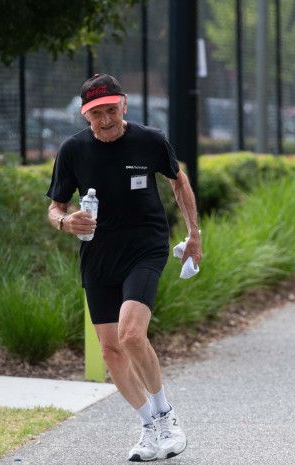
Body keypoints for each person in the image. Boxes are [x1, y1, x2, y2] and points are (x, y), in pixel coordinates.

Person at [46, 73, 200, 462]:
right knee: (110, 349)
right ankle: (148, 428)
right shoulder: (73, 150)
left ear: (124, 105)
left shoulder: (150, 140)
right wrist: (66, 222)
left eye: (111, 109)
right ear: (85, 115)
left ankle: (167, 417)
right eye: (96, 113)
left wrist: (194, 233)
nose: (105, 119)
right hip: (97, 254)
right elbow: (55, 207)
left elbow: (178, 182)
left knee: (132, 335)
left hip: (145, 247)